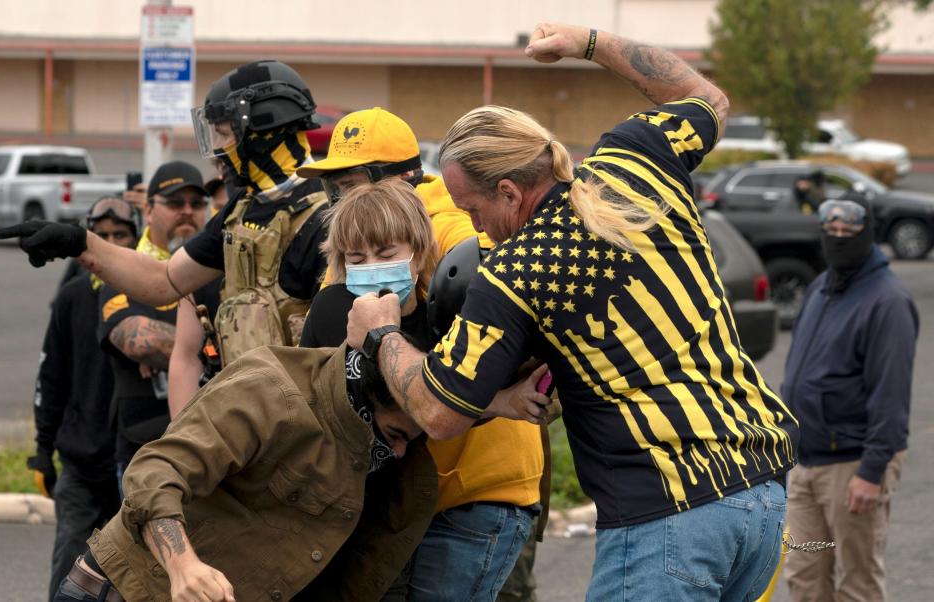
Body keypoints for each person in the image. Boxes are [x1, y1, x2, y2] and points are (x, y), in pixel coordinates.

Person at [345, 22, 798, 601]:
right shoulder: (634, 161)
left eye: (473, 209)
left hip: (666, 514)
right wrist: (588, 43)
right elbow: (707, 98)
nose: (474, 227)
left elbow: (438, 412)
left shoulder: (512, 274)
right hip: (761, 493)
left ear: (509, 192)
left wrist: (382, 335)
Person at [0, 59, 330, 368]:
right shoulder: (244, 207)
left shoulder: (328, 216)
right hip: (252, 409)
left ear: (264, 133)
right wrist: (79, 243)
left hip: (306, 424)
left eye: (226, 135)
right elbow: (164, 279)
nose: (218, 153)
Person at [300, 179, 544, 601]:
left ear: (417, 255)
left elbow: (435, 403)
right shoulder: (331, 309)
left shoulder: (445, 314)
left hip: (443, 501)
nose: (373, 267)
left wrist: (505, 400)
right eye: (357, 258)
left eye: (387, 254)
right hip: (360, 509)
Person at [50, 343, 438, 602]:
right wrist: (183, 566)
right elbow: (155, 471)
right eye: (394, 435)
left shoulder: (395, 468)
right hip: (123, 592)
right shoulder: (272, 392)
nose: (399, 452)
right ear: (368, 402)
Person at [782, 196, 918, 602]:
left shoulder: (887, 301)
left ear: (867, 234)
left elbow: (891, 396)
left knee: (856, 583)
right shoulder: (822, 286)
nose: (837, 238)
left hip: (853, 468)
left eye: (848, 232)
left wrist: (871, 471)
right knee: (806, 576)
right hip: (806, 466)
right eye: (831, 230)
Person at [33, 197, 137, 600]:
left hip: (130, 460)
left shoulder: (150, 296)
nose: (111, 241)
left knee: (129, 578)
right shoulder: (72, 297)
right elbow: (50, 376)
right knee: (69, 572)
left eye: (120, 235)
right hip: (80, 463)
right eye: (102, 235)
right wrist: (43, 449)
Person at [98, 161, 208, 478]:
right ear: (148, 210)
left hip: (211, 447)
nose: (187, 211)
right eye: (175, 203)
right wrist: (207, 346)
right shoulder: (125, 271)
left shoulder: (219, 271)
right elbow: (140, 339)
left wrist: (172, 352)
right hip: (144, 450)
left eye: (196, 203)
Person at [296, 106, 494, 255]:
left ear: (404, 176)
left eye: (353, 186)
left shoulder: (445, 228)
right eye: (336, 189)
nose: (345, 201)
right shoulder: (357, 234)